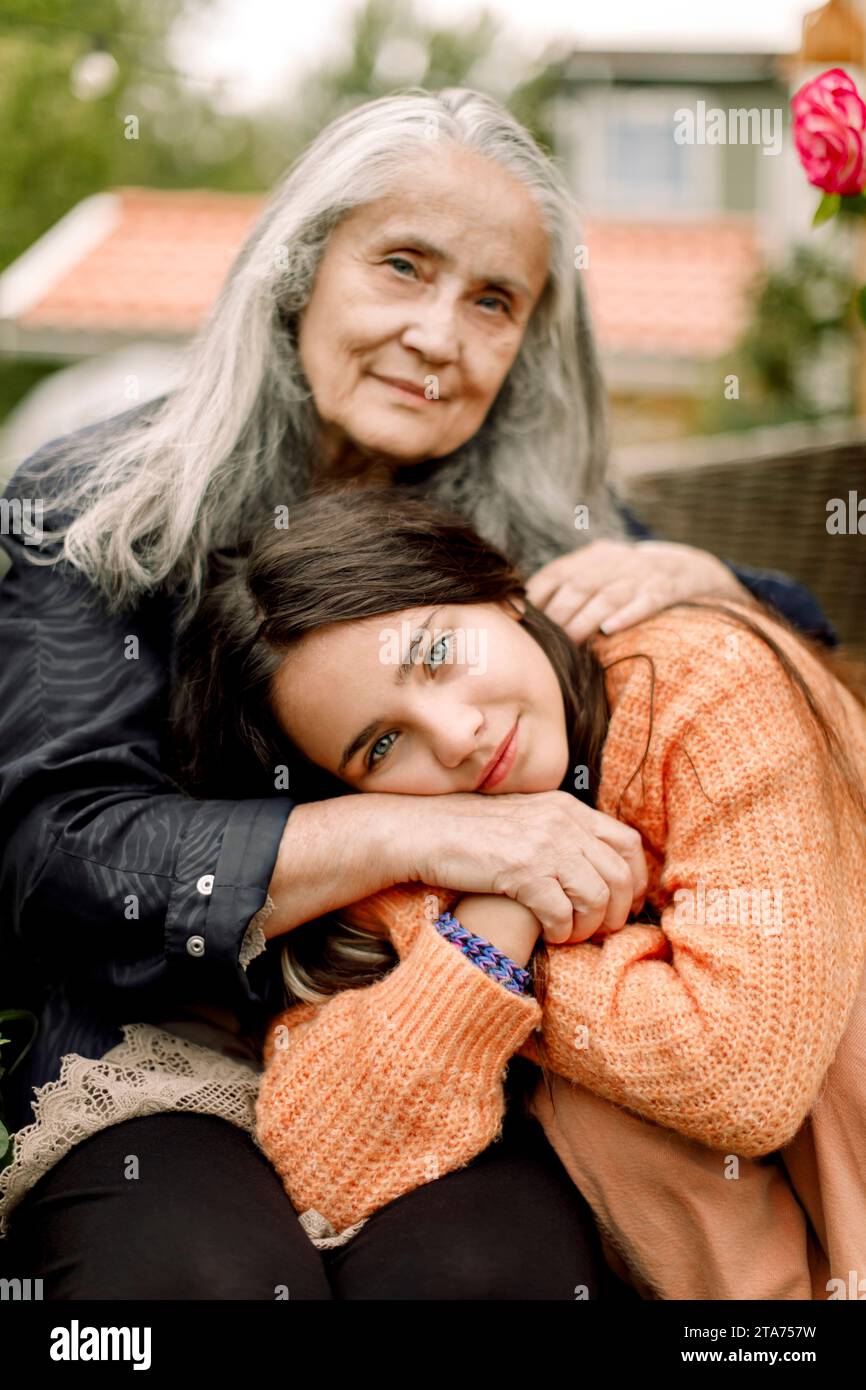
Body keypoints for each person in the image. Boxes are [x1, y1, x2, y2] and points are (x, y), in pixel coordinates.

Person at [0, 87, 839, 1300]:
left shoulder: (513, 526)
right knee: (201, 1281)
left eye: (492, 301)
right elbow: (51, 851)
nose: (440, 336)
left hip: (448, 1042)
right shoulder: (100, 505)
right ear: (299, 270)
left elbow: (776, 634)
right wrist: (444, 830)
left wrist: (706, 576)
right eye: (402, 265)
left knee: (475, 1282)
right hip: (163, 1050)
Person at [183, 485, 864, 1300]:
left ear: (503, 590)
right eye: (383, 744)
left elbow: (743, 1077)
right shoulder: (408, 856)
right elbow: (326, 1163)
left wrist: (469, 955)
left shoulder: (705, 685)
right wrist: (486, 929)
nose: (457, 735)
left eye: (436, 655)